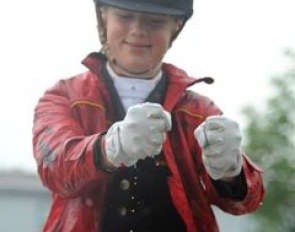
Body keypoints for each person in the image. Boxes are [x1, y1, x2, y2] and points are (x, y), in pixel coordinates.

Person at [32, 0, 264, 231]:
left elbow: (242, 204)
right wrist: (108, 149)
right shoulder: (63, 96)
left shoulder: (199, 111)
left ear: (176, 26)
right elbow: (54, 170)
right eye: (124, 16)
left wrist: (232, 173)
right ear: (103, 16)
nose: (138, 31)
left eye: (155, 21)